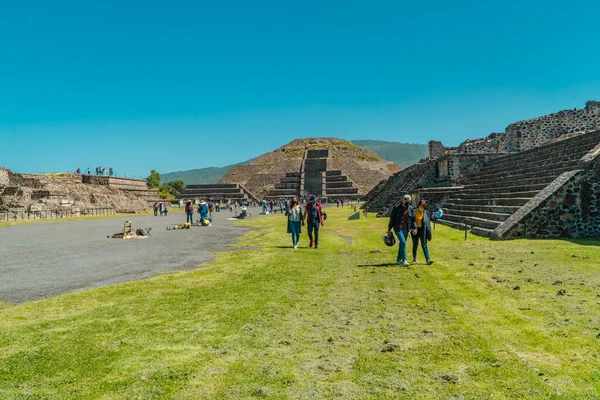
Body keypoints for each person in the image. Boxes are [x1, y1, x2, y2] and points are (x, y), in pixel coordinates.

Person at [387, 194, 416, 267]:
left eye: (409, 202)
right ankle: (404, 260)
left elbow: (413, 219)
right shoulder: (396, 208)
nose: (408, 203)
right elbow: (392, 219)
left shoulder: (411, 208)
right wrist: (389, 229)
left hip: (406, 229)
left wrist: (414, 228)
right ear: (403, 200)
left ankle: (398, 259)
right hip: (398, 228)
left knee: (402, 244)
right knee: (403, 242)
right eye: (407, 201)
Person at [411, 199, 434, 265]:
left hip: (422, 230)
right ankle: (414, 258)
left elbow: (428, 223)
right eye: (420, 206)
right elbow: (413, 220)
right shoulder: (414, 211)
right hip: (415, 229)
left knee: (424, 244)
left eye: (423, 207)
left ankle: (428, 259)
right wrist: (414, 228)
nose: (421, 208)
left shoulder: (426, 212)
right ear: (418, 205)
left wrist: (429, 233)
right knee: (415, 244)